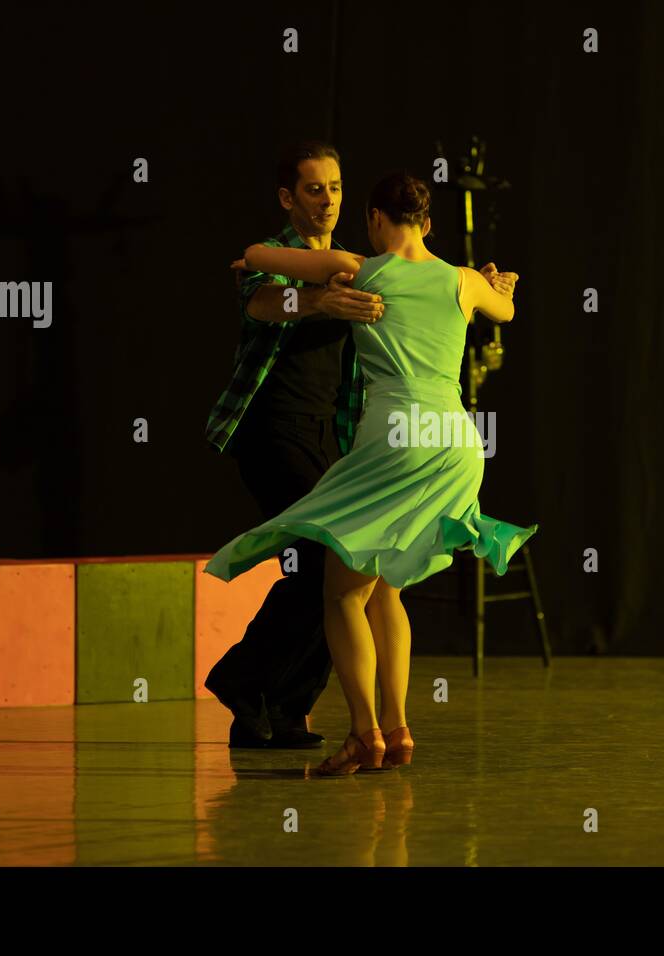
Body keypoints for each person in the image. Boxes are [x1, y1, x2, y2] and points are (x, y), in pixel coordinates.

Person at [204, 171, 537, 775]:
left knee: (341, 594)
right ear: (429, 223)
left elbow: (257, 256)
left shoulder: (361, 267)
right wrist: (494, 284)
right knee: (387, 587)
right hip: (458, 441)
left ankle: (365, 734)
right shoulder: (462, 281)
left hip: (396, 438)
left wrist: (270, 263)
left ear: (376, 220)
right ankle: (399, 729)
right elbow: (507, 310)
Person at [202, 142, 384, 749]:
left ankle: (280, 705)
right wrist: (315, 301)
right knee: (321, 566)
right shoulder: (277, 260)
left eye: (335, 188)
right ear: (289, 197)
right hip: (272, 427)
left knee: (339, 571)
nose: (328, 200)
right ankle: (243, 680)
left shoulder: (355, 264)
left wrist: (477, 281)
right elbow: (261, 302)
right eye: (314, 189)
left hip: (331, 435)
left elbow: (419, 282)